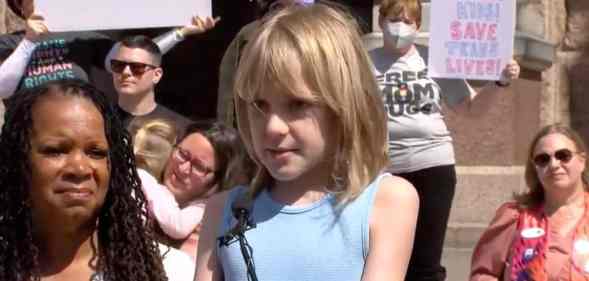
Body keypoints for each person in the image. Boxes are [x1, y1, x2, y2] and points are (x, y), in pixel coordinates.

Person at [196, 3, 419, 281]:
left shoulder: (386, 201)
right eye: (259, 104)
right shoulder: (222, 211)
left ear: (345, 105)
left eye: (298, 104)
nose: (273, 126)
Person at [367, 1, 521, 280]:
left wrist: (498, 82)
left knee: (425, 261)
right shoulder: (364, 63)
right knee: (383, 255)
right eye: (393, 19)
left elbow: (470, 109)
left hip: (433, 165)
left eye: (408, 21)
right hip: (383, 170)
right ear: (380, 21)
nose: (400, 27)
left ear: (418, 26)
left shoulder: (435, 60)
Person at [0, 79, 195, 281]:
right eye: (56, 151)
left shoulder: (171, 270)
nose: (80, 168)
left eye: (96, 153)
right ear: (17, 160)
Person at [0, 0, 219, 97]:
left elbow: (133, 58)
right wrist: (28, 42)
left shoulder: (81, 37)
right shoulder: (10, 43)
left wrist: (180, 32)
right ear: (21, 5)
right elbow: (3, 88)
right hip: (28, 136)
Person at [470, 124, 589, 281]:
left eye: (563, 155)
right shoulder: (514, 217)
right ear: (535, 168)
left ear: (582, 161)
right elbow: (484, 273)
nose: (553, 165)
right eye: (543, 159)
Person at [136, 120, 248, 260]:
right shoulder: (142, 188)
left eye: (199, 167)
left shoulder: (207, 222)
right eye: (183, 154)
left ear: (218, 182)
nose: (183, 169)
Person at [216, 0, 314, 126]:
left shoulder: (327, 32)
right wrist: (227, 133)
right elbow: (228, 90)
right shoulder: (250, 34)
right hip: (255, 130)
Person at [110, 35, 192, 134]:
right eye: (118, 65)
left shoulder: (180, 128)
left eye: (137, 67)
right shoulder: (97, 118)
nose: (126, 72)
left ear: (156, 75)